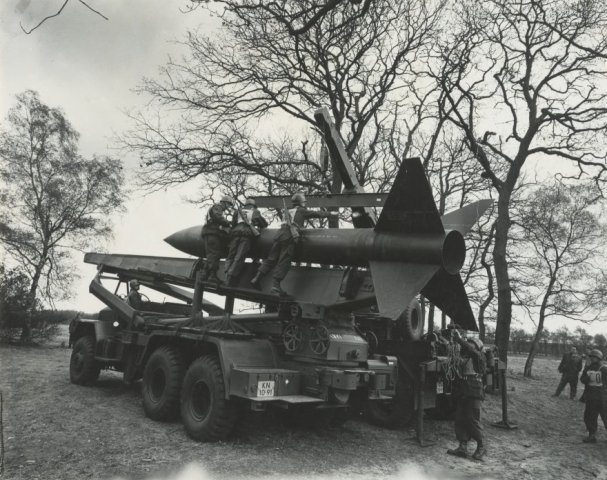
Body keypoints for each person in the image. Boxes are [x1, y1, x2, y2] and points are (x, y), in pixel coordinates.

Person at [250, 192, 337, 295]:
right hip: (289, 236)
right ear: (301, 202)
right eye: (304, 202)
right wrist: (330, 214)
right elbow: (317, 214)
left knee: (271, 259)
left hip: (279, 235)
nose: (305, 204)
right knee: (284, 261)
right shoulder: (301, 211)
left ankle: (256, 278)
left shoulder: (287, 211)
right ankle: (275, 286)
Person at [447, 330, 487, 461]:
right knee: (460, 418)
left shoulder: (479, 357)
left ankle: (481, 446)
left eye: (470, 345)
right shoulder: (466, 359)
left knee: (472, 419)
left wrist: (459, 339)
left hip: (474, 392)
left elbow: (471, 350)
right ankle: (462, 447)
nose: (467, 347)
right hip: (464, 391)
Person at [224, 198, 268, 287]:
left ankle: (226, 273)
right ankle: (230, 277)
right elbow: (263, 224)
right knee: (239, 256)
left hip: (235, 233)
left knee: (231, 255)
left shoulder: (237, 211)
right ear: (253, 205)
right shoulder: (255, 211)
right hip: (246, 234)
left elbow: (233, 224)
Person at [200, 195, 233, 284]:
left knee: (211, 254)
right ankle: (212, 276)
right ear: (224, 203)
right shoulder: (218, 207)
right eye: (228, 204)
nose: (228, 207)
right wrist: (228, 223)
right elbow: (217, 217)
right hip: (212, 233)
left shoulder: (217, 208)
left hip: (210, 232)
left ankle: (204, 275)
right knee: (214, 254)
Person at [580, 349, 607, 443]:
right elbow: (582, 380)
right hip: (591, 397)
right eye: (591, 357)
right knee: (589, 416)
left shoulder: (604, 368)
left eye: (594, 357)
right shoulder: (588, 368)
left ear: (599, 358)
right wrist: (587, 378)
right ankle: (591, 435)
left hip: (602, 397)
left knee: (605, 416)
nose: (592, 359)